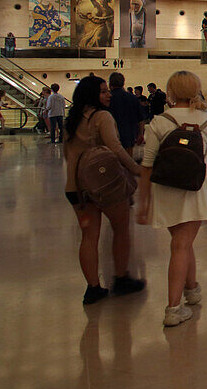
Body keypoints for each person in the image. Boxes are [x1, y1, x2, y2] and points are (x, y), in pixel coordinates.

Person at [137, 71, 207, 327]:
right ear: (196, 90)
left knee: (181, 241)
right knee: (182, 244)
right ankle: (174, 307)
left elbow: (147, 165)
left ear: (170, 92)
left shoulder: (160, 122)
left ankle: (192, 289)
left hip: (167, 187)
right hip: (196, 188)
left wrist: (143, 201)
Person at [63, 75, 146, 305]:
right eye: (103, 91)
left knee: (88, 236)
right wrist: (136, 170)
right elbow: (116, 148)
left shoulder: (71, 120)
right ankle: (121, 278)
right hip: (106, 185)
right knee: (121, 229)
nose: (108, 94)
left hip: (77, 187)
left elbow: (66, 154)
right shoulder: (102, 117)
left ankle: (93, 288)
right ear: (92, 96)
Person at [107, 72, 144, 155]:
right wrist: (140, 134)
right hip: (129, 135)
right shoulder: (133, 98)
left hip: (111, 136)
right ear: (123, 82)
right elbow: (140, 119)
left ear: (110, 84)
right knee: (128, 161)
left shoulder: (107, 98)